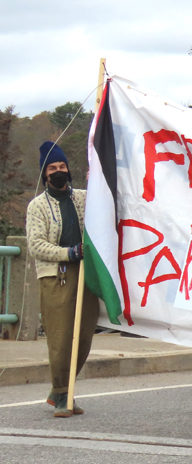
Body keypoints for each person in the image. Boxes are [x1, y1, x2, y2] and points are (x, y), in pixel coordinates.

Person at [26, 141, 99, 418]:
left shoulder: (81, 197)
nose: (58, 171)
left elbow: (104, 206)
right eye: (53, 168)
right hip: (56, 275)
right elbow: (36, 245)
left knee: (83, 336)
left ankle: (64, 389)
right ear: (45, 173)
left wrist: (98, 181)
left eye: (62, 166)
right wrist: (68, 252)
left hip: (85, 274)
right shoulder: (38, 206)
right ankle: (60, 393)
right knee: (60, 339)